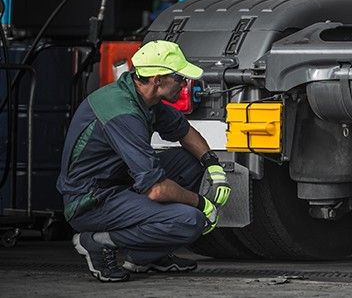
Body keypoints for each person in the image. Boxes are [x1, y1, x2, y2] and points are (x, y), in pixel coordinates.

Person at [56, 40, 231, 282]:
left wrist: (213, 165)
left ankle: (145, 257)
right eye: (179, 78)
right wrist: (202, 203)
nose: (184, 84)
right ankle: (96, 242)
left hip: (119, 183)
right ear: (158, 79)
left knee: (189, 162)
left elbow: (185, 132)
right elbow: (156, 190)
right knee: (190, 221)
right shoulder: (123, 112)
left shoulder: (144, 99)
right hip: (91, 200)